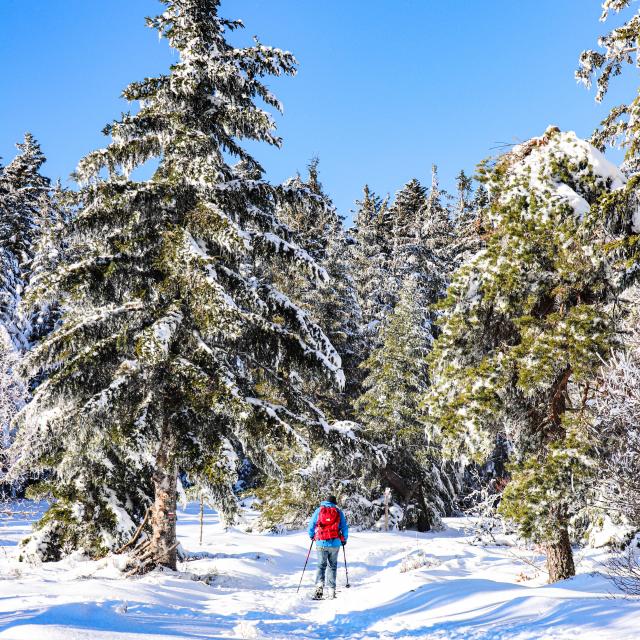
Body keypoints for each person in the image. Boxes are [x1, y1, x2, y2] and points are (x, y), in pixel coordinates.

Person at [307, 494, 349, 599]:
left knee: (321, 565)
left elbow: (311, 525)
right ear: (335, 503)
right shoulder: (338, 512)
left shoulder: (319, 510)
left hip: (321, 542)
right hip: (335, 543)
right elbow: (344, 527)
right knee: (332, 566)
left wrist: (312, 536)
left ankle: (319, 586)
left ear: (325, 501)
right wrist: (344, 539)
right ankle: (331, 590)